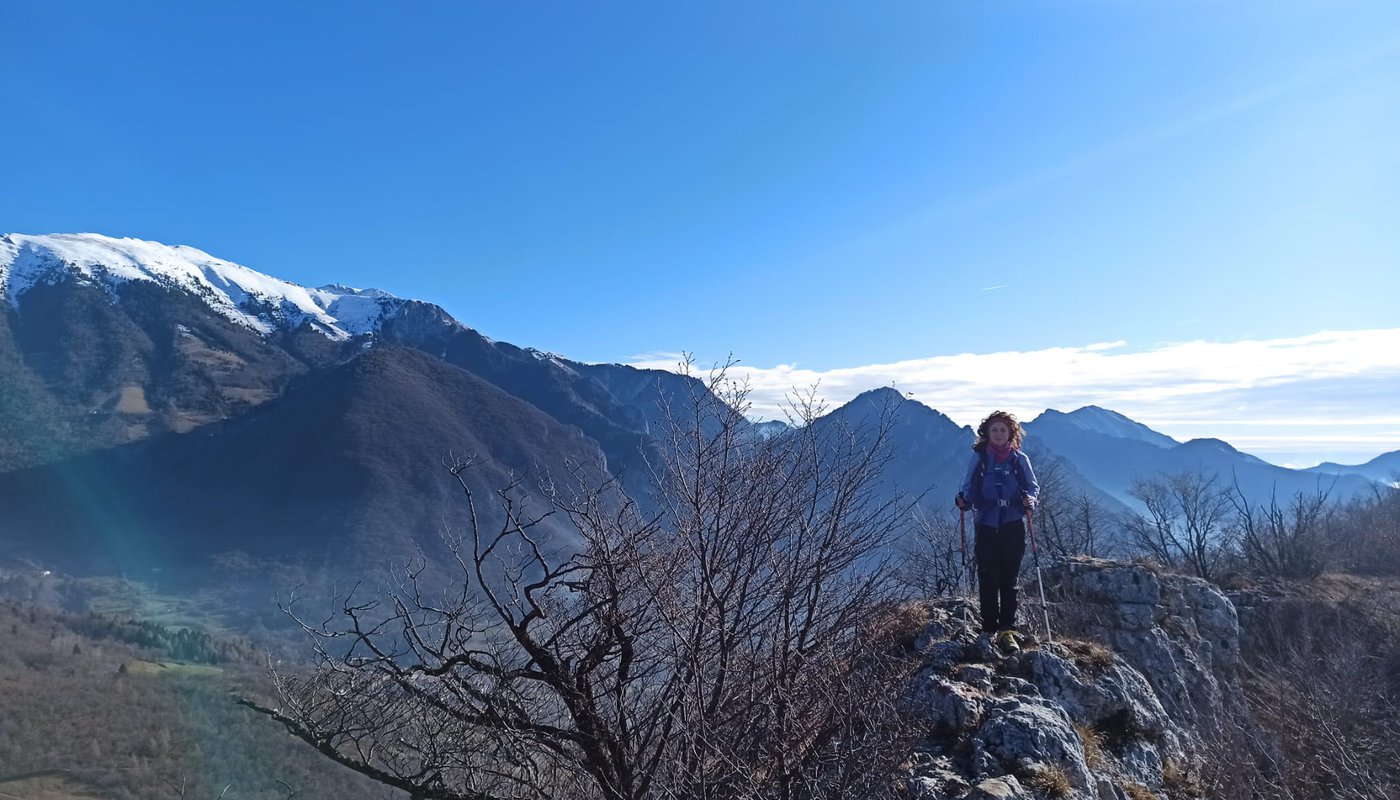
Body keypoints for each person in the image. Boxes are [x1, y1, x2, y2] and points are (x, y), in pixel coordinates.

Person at [955, 410, 1039, 652]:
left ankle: (1007, 630)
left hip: (1013, 523)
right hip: (986, 523)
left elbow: (1032, 487)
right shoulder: (980, 458)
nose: (999, 434)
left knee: (1009, 579)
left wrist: (1029, 501)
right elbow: (969, 486)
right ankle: (988, 628)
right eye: (995, 430)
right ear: (987, 433)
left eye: (1003, 429)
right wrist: (964, 500)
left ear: (1011, 432)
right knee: (988, 576)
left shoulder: (1019, 459)